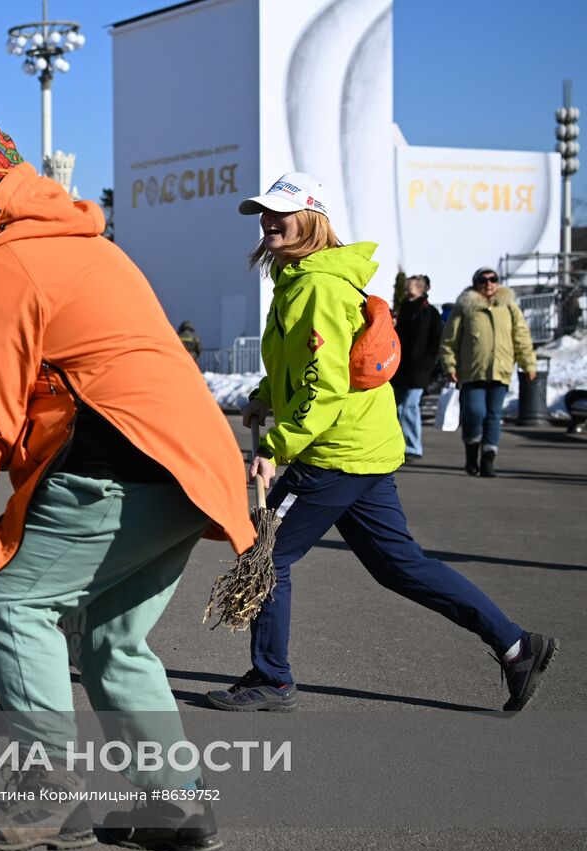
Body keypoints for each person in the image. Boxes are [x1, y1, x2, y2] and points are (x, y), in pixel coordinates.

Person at [0, 117, 256, 851]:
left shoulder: (2, 268)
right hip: (192, 468)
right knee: (112, 640)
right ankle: (178, 804)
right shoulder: (82, 245)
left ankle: (49, 787)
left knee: (11, 602)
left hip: (118, 463)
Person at [204, 172, 556, 715]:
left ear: (313, 219)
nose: (268, 220)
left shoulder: (317, 285)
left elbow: (324, 387)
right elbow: (304, 367)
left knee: (264, 551)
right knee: (401, 566)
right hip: (360, 448)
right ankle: (516, 646)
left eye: (281, 211)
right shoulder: (303, 278)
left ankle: (271, 680)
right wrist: (262, 394)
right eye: (263, 212)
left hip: (334, 452)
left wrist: (275, 444)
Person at [440, 267, 536, 477]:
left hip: (500, 371)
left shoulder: (509, 306)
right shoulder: (465, 306)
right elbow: (449, 340)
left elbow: (521, 336)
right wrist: (450, 366)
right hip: (472, 371)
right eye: (483, 280)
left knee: (494, 415)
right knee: (475, 412)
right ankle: (472, 450)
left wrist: (528, 364)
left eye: (493, 279)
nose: (489, 283)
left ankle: (488, 459)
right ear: (476, 283)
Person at [390, 274, 442, 458]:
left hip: (419, 370)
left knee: (409, 407)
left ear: (421, 289)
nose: (407, 291)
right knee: (400, 407)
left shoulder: (430, 313)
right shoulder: (403, 310)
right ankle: (403, 446)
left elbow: (436, 341)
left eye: (411, 288)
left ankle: (412, 447)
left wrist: (428, 362)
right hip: (401, 368)